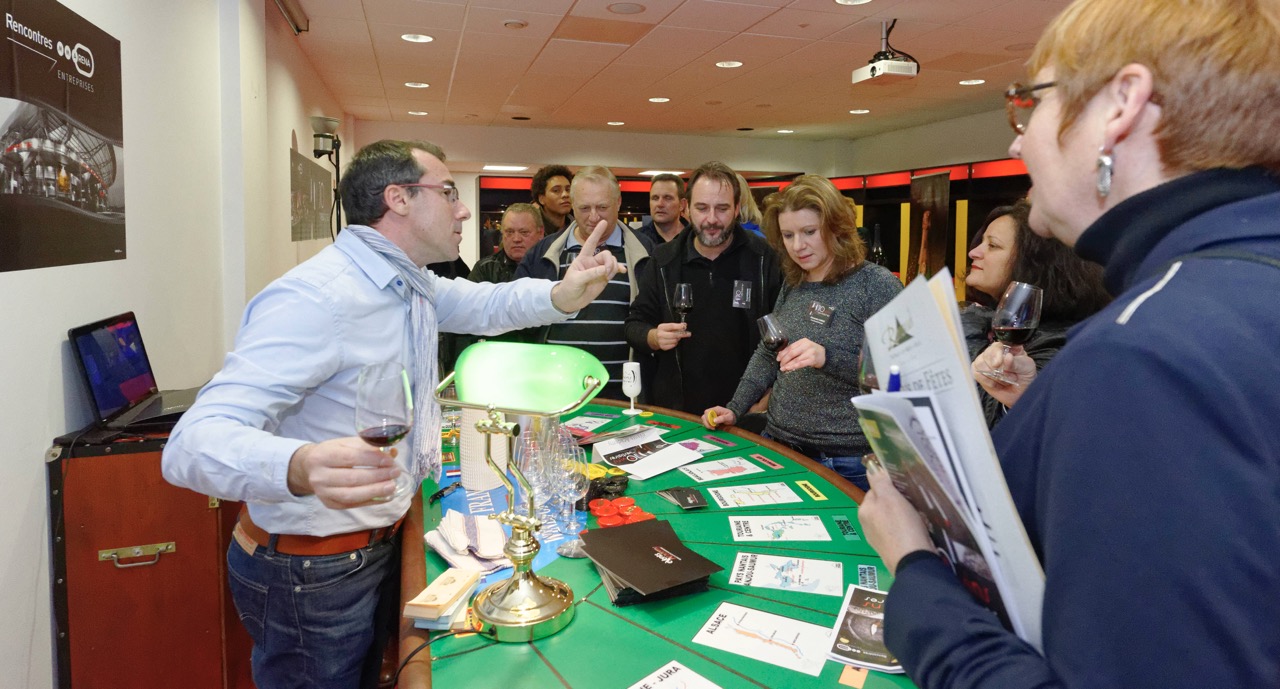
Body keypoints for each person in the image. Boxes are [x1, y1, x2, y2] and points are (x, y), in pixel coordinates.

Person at [858, 1, 1280, 687]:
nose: (1017, 145)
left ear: (1122, 105)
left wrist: (916, 570)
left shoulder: (1142, 354)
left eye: (1030, 105)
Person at [161, 139, 622, 689]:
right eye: (448, 192)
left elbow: (487, 304)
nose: (463, 210)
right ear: (399, 199)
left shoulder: (409, 282)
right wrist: (299, 464)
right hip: (311, 572)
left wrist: (565, 294)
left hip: (370, 550)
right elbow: (192, 442)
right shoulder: (317, 298)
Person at [703, 174, 902, 490]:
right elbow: (769, 352)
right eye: (788, 235)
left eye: (809, 232)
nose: (798, 246)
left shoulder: (877, 285)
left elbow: (900, 376)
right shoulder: (794, 282)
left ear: (836, 227)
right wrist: (735, 408)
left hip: (846, 461)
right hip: (779, 445)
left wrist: (828, 358)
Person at [625, 161, 783, 414]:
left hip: (746, 410)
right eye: (702, 208)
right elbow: (634, 324)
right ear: (687, 208)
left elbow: (785, 333)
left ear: (736, 209)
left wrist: (772, 391)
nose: (711, 219)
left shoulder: (764, 258)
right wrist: (653, 336)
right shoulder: (664, 260)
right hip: (678, 409)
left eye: (722, 208)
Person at [961, 200, 1110, 427]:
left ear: (1033, 263)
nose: (973, 252)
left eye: (992, 245)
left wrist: (966, 332)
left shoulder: (1058, 345)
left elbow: (989, 424)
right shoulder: (985, 320)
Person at [517, 165, 653, 399]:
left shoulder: (647, 252)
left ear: (618, 202)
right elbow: (519, 313)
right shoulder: (542, 253)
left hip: (624, 392)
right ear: (572, 204)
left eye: (602, 207)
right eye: (584, 208)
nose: (594, 217)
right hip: (555, 388)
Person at [469, 202, 544, 284]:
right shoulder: (485, 269)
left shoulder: (552, 266)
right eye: (510, 232)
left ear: (540, 233)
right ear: (502, 233)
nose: (516, 239)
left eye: (524, 232)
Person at [636, 173, 689, 246]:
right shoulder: (636, 240)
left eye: (667, 198)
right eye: (655, 198)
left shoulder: (695, 238)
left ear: (682, 204)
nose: (660, 204)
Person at [530, 164, 573, 234]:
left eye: (568, 189)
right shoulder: (530, 228)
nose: (565, 194)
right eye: (556, 190)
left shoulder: (577, 227)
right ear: (541, 199)